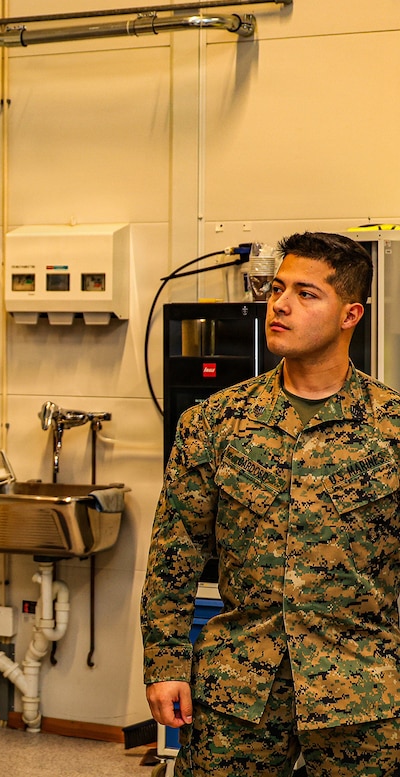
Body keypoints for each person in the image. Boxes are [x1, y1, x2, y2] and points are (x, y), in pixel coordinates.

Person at [141, 231, 400, 775]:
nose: (279, 304)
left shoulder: (392, 427)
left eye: (306, 294)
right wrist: (164, 664)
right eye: (278, 288)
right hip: (238, 692)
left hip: (364, 695)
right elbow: (174, 555)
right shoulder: (216, 422)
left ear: (351, 314)